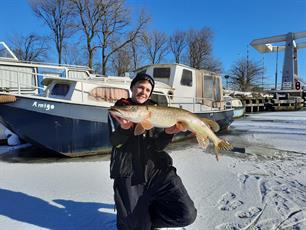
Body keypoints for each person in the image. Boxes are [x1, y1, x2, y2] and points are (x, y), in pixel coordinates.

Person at [108, 73, 197, 230]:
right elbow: (116, 143)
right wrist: (124, 129)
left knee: (187, 214)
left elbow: (157, 146)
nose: (144, 92)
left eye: (148, 90)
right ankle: (135, 220)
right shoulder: (119, 110)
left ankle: (147, 218)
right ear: (132, 88)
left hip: (156, 169)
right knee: (136, 226)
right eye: (140, 87)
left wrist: (169, 133)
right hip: (129, 172)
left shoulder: (155, 110)